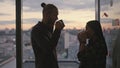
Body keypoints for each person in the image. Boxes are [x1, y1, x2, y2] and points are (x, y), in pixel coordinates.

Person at [31, 3, 65, 68]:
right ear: (47, 15)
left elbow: (52, 45)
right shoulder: (37, 30)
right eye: (55, 15)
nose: (57, 18)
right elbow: (48, 49)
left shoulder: (47, 30)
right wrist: (57, 30)